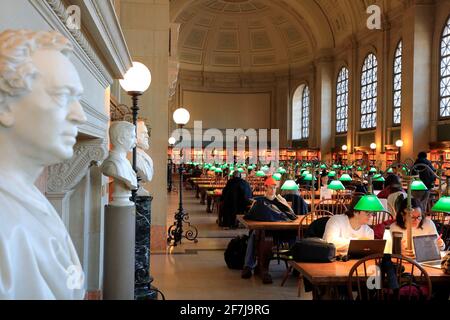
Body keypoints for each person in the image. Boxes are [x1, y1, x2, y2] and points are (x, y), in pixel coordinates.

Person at [0, 30, 87, 299]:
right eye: (62, 96)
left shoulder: (28, 198)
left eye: (78, 99)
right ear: (4, 106)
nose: (80, 116)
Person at [241, 177, 295, 284]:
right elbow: (251, 214)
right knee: (253, 236)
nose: (273, 190)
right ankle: (248, 266)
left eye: (274, 188)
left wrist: (283, 203)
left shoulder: (280, 200)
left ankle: (297, 264)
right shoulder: (259, 201)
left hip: (279, 231)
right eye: (271, 188)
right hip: (263, 231)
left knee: (295, 235)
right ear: (266, 188)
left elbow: (291, 214)